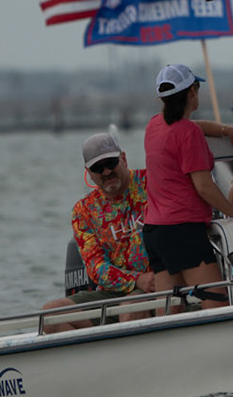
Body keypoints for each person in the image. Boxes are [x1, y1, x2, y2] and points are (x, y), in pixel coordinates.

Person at [144, 63, 233, 312]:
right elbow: (204, 187)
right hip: (183, 230)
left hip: (155, 231)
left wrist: (228, 130)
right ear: (192, 92)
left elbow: (194, 126)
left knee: (170, 311)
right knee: (217, 304)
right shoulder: (187, 133)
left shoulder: (154, 125)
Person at [39, 131, 161, 332]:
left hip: (157, 285)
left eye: (111, 163)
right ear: (88, 172)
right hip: (113, 292)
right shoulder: (83, 210)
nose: (106, 172)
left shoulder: (153, 183)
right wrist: (136, 279)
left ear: (123, 159)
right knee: (49, 315)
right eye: (98, 168)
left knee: (131, 309)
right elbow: (96, 267)